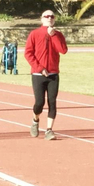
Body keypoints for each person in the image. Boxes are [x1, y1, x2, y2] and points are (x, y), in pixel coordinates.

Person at [24, 9, 67, 139]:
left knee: (52, 102)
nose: (49, 18)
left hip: (53, 74)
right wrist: (39, 68)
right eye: (46, 16)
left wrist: (53, 36)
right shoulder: (34, 34)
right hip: (38, 75)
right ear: (42, 19)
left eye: (52, 16)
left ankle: (49, 130)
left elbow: (63, 50)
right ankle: (35, 120)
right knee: (39, 102)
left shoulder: (58, 35)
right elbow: (28, 53)